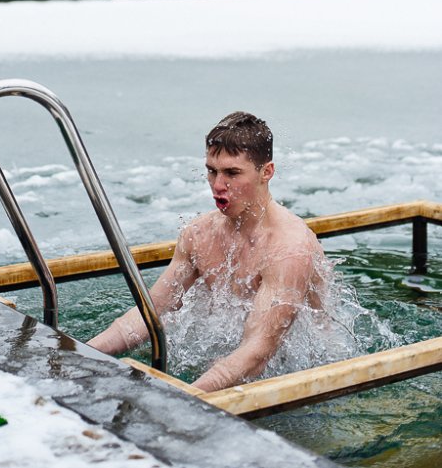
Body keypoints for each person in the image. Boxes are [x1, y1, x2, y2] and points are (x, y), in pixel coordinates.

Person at [87, 111, 328, 392]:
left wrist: (188, 397)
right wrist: (81, 353)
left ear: (267, 172)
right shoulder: (199, 234)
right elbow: (150, 313)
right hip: (234, 365)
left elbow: (259, 351)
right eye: (212, 171)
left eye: (232, 173)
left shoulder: (289, 248)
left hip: (301, 379)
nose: (217, 185)